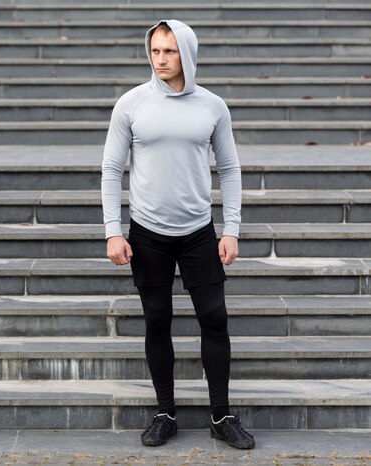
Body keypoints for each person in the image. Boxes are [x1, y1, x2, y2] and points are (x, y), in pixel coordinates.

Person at [101, 20, 254, 449]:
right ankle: (165, 412)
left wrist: (232, 229)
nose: (161, 59)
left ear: (186, 52)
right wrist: (114, 231)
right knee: (157, 322)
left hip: (198, 233)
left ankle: (221, 416)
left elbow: (230, 168)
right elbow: (112, 168)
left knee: (215, 321)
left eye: (170, 51)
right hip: (147, 234)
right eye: (155, 51)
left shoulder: (212, 107)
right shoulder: (131, 104)